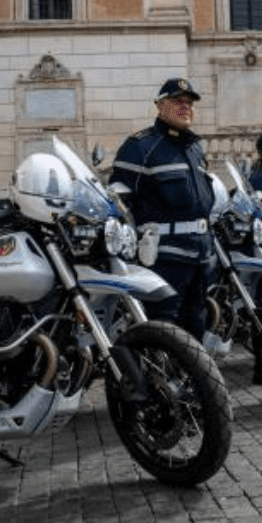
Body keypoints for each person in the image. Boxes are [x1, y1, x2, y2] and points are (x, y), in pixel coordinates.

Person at [109, 78, 219, 354]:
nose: (186, 107)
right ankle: (156, 387)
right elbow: (119, 202)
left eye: (189, 103)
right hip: (164, 257)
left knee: (195, 326)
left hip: (200, 255)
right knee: (162, 330)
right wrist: (132, 248)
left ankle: (191, 388)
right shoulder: (140, 146)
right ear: (159, 106)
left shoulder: (195, 148)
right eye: (177, 101)